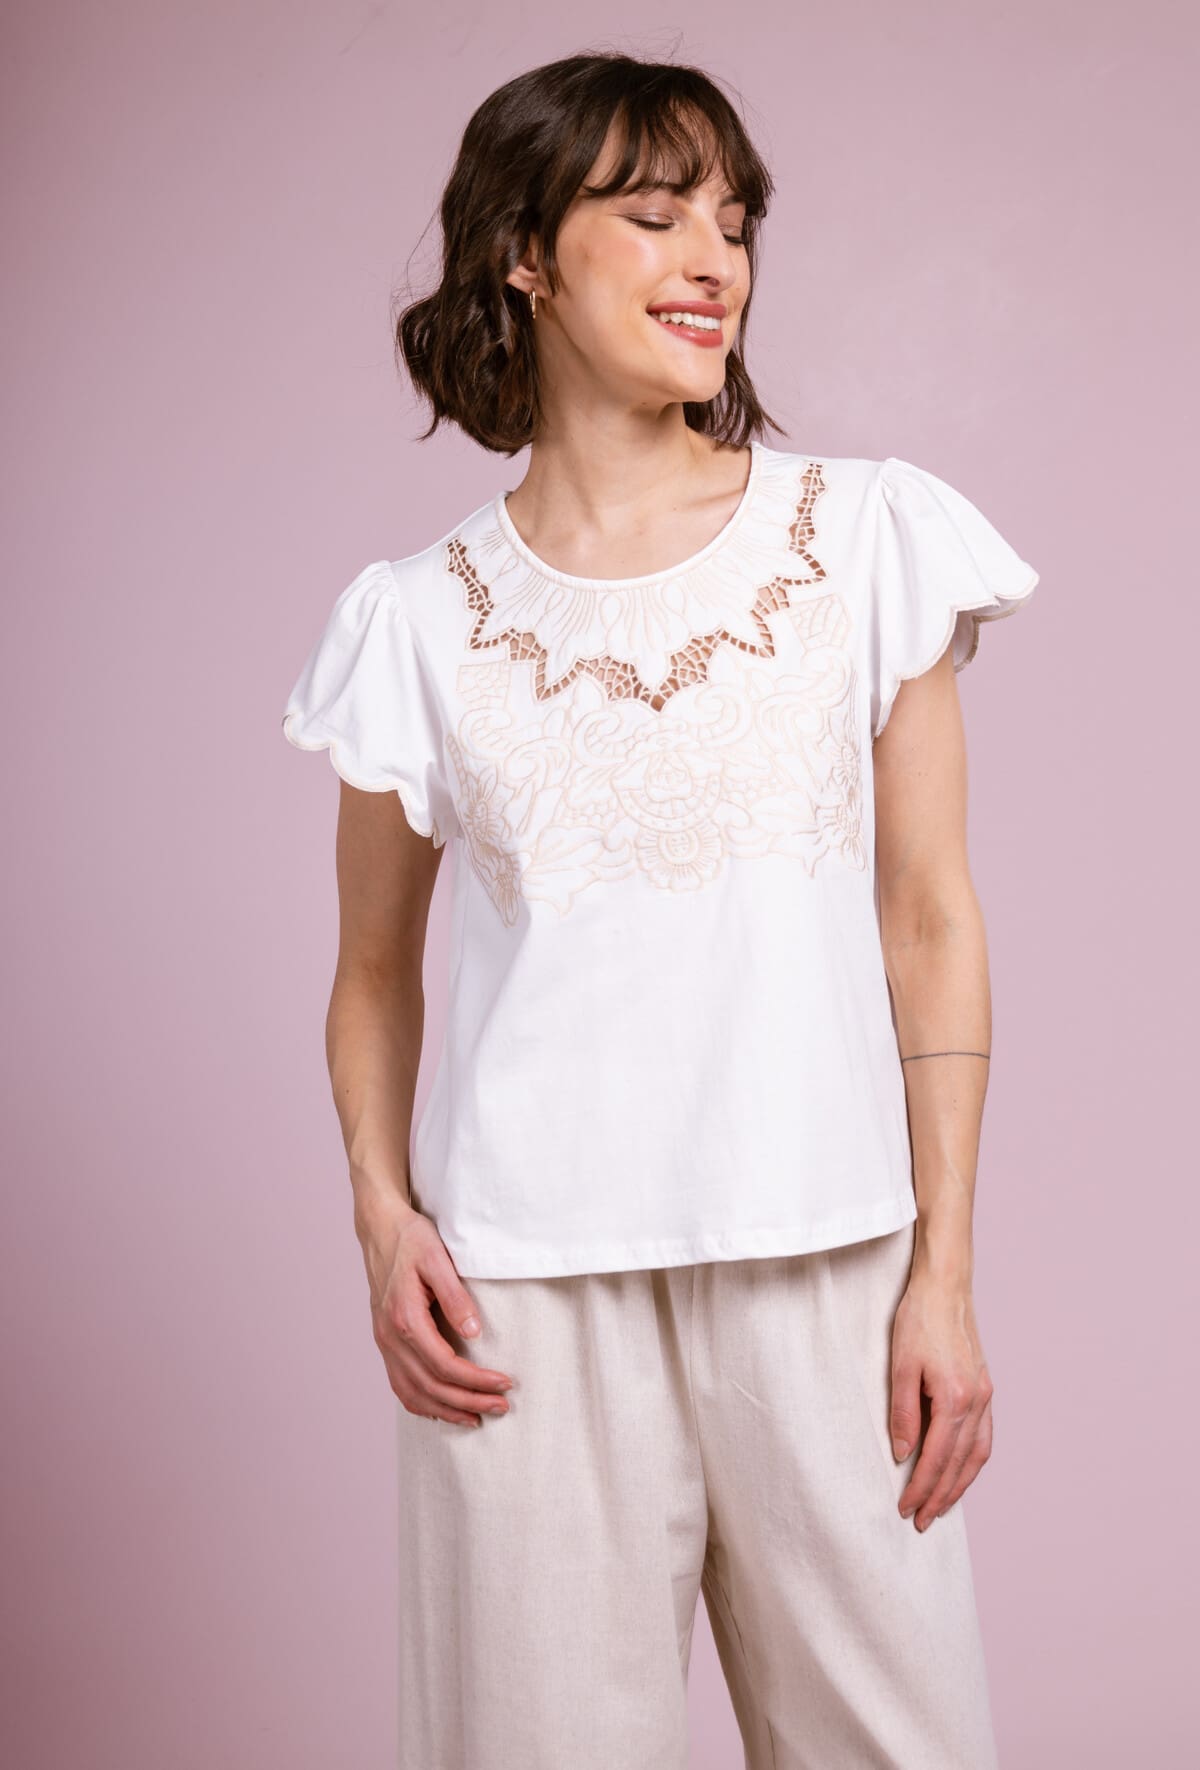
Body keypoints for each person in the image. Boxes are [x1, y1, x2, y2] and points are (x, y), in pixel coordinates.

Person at [281, 50, 1039, 1770]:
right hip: (524, 1311)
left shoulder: (863, 538)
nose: (715, 260)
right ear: (524, 255)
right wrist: (382, 1216)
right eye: (654, 215)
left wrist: (945, 1271)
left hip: (829, 1268)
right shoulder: (416, 620)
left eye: (734, 221)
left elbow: (930, 917)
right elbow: (373, 971)